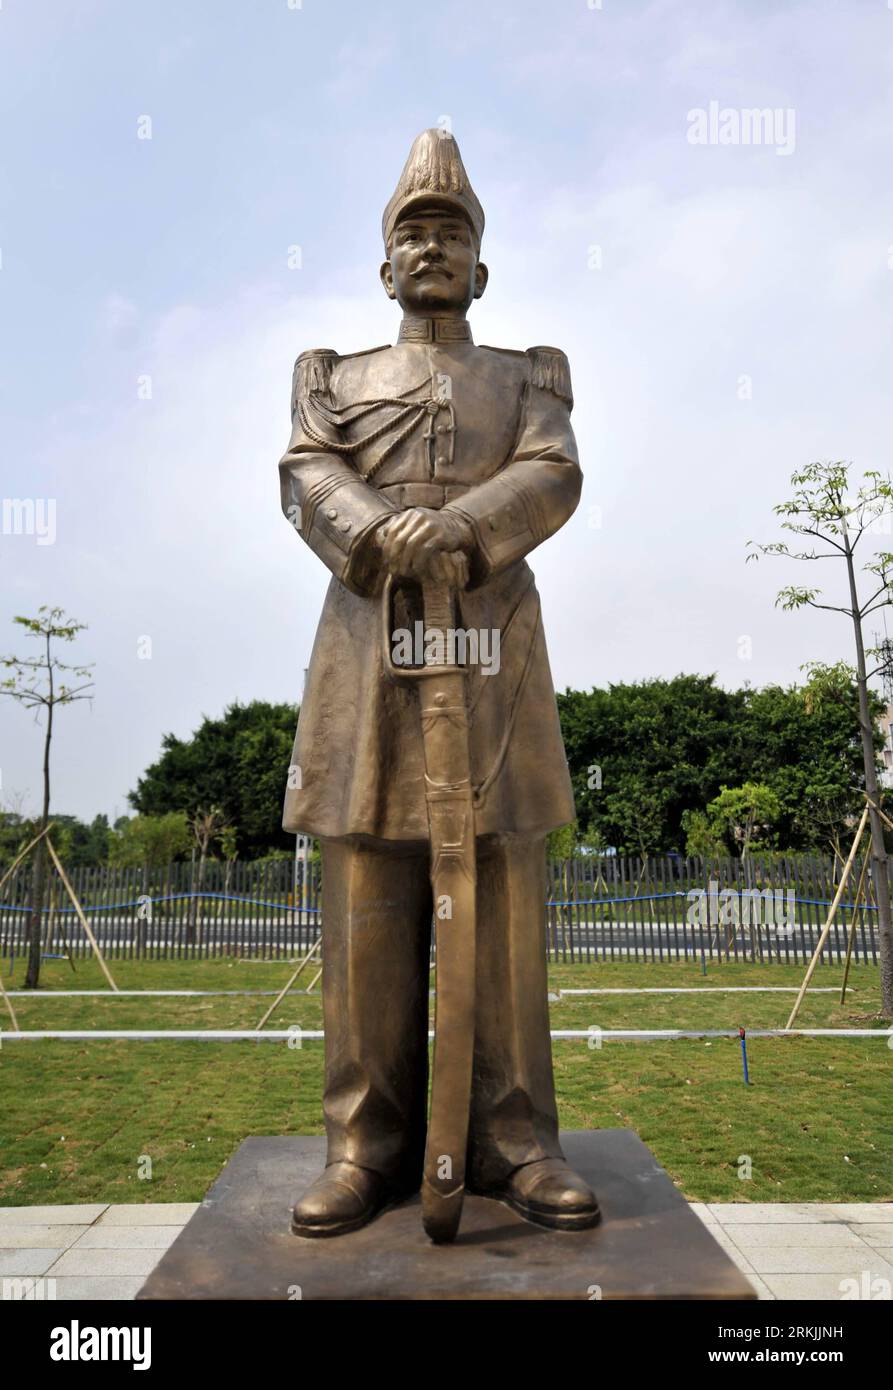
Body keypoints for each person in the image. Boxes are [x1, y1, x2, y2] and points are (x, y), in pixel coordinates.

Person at [280, 128, 599, 1237]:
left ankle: (515, 1140)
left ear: (480, 266)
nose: (430, 246)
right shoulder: (333, 377)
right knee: (368, 899)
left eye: (449, 233)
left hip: (493, 643)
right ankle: (363, 1145)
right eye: (411, 233)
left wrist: (457, 525)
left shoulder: (526, 377)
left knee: (504, 896)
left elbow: (551, 474)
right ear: (383, 266)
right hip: (372, 653)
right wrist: (381, 531)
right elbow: (305, 474)